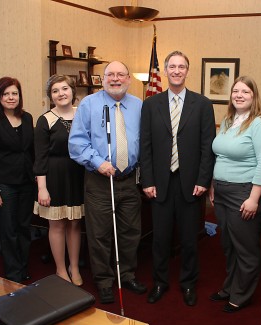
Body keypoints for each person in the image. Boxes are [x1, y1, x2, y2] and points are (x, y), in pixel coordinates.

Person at [140, 50, 216, 306]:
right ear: (165, 70)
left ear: (187, 70)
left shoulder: (202, 104)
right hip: (160, 183)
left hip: (191, 183)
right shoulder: (150, 104)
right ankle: (160, 282)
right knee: (160, 239)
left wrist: (204, 180)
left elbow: (208, 146)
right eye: (172, 66)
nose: (176, 71)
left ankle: (188, 284)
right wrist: (147, 180)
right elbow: (145, 146)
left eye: (181, 66)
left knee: (189, 239)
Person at [68, 61, 146, 304]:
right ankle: (103, 280)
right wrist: (97, 162)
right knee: (100, 233)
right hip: (100, 180)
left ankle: (126, 274)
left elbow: (144, 142)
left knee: (130, 232)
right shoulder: (89, 104)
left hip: (129, 179)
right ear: (103, 79)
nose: (115, 78)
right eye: (110, 74)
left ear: (129, 79)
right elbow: (77, 143)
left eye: (120, 74)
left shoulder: (139, 105)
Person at [209, 76, 261, 313]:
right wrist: (214, 186)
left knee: (245, 247)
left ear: (254, 96)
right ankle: (230, 286)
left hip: (245, 193)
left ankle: (242, 294)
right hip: (223, 191)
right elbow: (221, 156)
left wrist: (254, 198)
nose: (239, 95)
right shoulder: (228, 121)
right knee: (228, 244)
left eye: (245, 92)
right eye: (235, 91)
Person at [0, 77, 35, 283]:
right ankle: (13, 274)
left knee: (23, 227)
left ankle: (22, 266)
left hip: (26, 183)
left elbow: (31, 152)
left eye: (15, 93)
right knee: (8, 229)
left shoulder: (28, 118)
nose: (11, 98)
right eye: (6, 94)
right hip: (4, 184)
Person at [33, 74, 85, 286]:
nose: (61, 94)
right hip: (54, 176)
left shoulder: (82, 115)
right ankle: (60, 269)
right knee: (57, 226)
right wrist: (42, 188)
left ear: (73, 92)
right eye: (55, 91)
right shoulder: (45, 120)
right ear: (50, 96)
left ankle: (74, 266)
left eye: (64, 89)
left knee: (74, 224)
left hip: (79, 175)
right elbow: (40, 157)